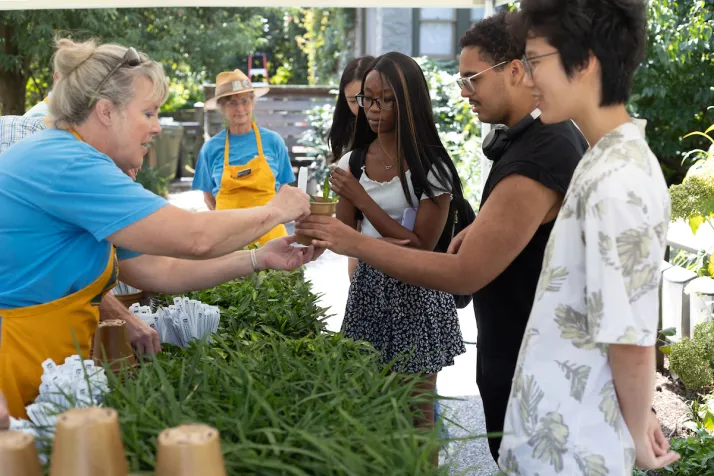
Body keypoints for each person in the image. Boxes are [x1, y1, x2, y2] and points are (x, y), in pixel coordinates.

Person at [296, 12, 587, 463]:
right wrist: (481, 226)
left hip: (539, 369)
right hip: (526, 357)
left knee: (421, 415)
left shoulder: (540, 152)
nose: (464, 93)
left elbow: (463, 273)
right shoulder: (538, 141)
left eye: (472, 79)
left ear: (515, 69)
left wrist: (353, 243)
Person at [0, 38, 315, 420]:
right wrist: (276, 210)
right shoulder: (69, 163)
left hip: (45, 360)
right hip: (16, 361)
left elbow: (160, 268)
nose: (156, 129)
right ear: (106, 112)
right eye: (148, 113)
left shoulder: (74, 157)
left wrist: (258, 257)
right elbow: (194, 238)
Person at [494, 1, 680, 473]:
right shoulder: (602, 160)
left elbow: (632, 341)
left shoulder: (619, 180)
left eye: (535, 61)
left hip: (573, 451)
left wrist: (639, 429)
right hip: (558, 438)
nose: (528, 78)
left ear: (585, 60)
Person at [304, 52, 467, 462]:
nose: (374, 110)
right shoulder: (352, 163)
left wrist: (362, 201)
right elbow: (341, 235)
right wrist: (310, 227)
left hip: (419, 294)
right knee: (372, 409)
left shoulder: (433, 168)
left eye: (387, 100)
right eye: (367, 100)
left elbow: (421, 249)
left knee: (418, 415)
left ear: (411, 101)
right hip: (368, 291)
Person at [193, 69, 296, 246]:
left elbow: (284, 190)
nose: (240, 109)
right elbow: (209, 198)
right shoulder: (210, 149)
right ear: (222, 108)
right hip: (228, 242)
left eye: (244, 101)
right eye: (232, 103)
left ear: (252, 103)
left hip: (271, 239)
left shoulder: (273, 142)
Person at [326, 55, 374, 281]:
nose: (362, 107)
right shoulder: (348, 138)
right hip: (360, 245)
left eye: (366, 97)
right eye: (353, 101)